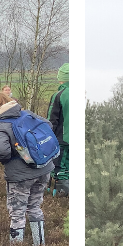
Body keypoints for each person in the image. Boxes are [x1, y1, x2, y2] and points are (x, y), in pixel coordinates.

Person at [0, 92, 54, 245]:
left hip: (20, 174)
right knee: (35, 207)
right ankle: (40, 245)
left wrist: (6, 158)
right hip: (44, 168)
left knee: (17, 213)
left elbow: (2, 152)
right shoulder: (26, 113)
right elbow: (48, 125)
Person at [47, 63, 69, 196]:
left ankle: (62, 191)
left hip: (63, 138)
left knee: (62, 166)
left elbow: (51, 120)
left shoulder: (59, 95)